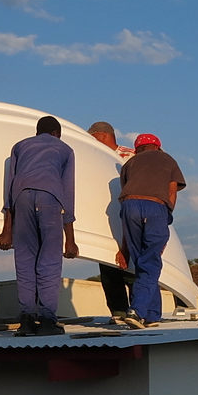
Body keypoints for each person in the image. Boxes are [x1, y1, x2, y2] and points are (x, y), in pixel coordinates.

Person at [0, 116, 78, 337]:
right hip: (50, 199)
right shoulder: (65, 149)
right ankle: (48, 320)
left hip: (21, 198)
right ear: (57, 133)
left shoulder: (20, 146)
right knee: (49, 260)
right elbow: (68, 192)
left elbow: (9, 187)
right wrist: (70, 239)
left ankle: (27, 320)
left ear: (37, 131)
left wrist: (6, 230)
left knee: (25, 259)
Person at [116, 133, 186, 329]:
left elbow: (127, 192)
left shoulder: (130, 163)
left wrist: (124, 248)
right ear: (158, 147)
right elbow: (171, 192)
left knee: (142, 262)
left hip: (129, 207)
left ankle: (152, 314)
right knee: (151, 261)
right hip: (155, 207)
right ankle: (136, 310)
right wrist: (167, 216)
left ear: (137, 149)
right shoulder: (168, 159)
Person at [87, 121, 136, 322]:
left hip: (130, 215)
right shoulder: (93, 157)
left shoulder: (130, 156)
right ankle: (118, 311)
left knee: (133, 267)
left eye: (93, 137)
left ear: (103, 135)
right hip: (105, 219)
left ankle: (137, 310)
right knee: (108, 265)